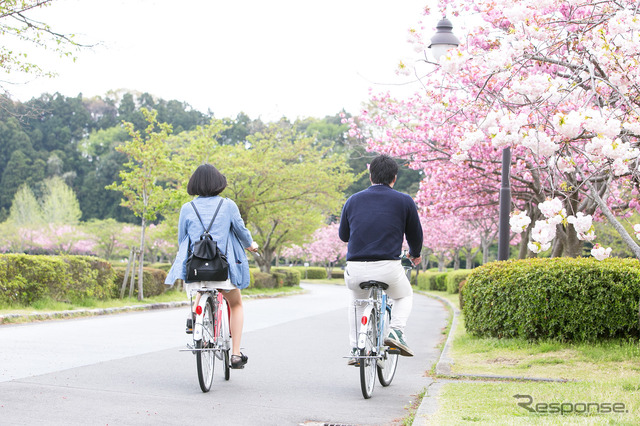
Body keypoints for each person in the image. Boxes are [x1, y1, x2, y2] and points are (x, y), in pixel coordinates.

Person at [165, 163, 258, 369]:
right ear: (219, 183)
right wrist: (251, 245)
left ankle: (195, 317)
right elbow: (241, 231)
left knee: (202, 285)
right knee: (236, 304)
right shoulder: (228, 205)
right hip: (221, 269)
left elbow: (182, 239)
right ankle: (235, 354)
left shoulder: (187, 208)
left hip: (196, 269)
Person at [338, 154, 423, 364]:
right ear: (394, 178)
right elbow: (415, 235)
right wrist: (415, 254)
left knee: (357, 302)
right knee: (404, 296)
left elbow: (343, 236)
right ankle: (395, 332)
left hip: (356, 268)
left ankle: (358, 348)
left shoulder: (353, 200)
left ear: (370, 176)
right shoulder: (404, 201)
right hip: (388, 267)